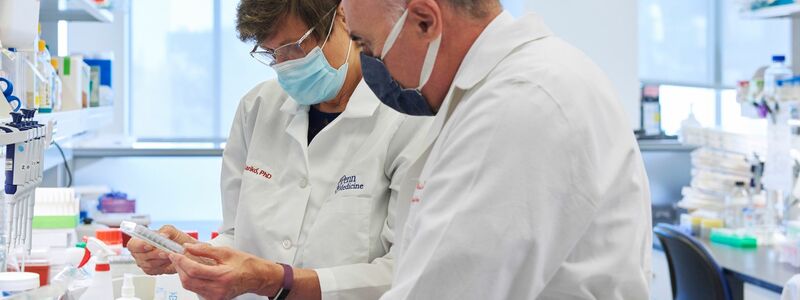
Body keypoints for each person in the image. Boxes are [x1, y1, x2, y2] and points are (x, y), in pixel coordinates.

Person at [341, 0, 652, 299]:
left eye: (366, 46)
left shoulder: (518, 104)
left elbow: (448, 289)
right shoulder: (518, 83)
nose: (366, 63)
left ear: (425, 21)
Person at [127, 0, 431, 299]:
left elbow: (404, 268)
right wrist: (192, 254)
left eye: (296, 46)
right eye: (273, 54)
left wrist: (279, 281)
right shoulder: (256, 108)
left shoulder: (405, 118)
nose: (287, 65)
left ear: (342, 17)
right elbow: (239, 237)